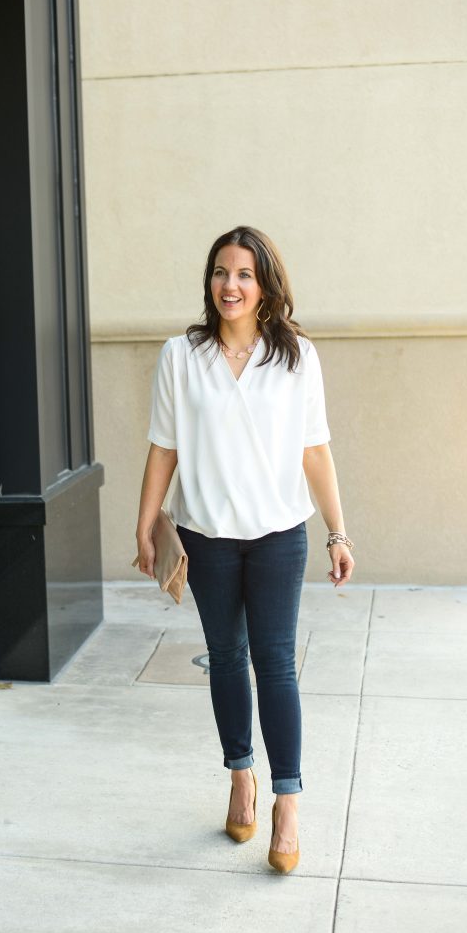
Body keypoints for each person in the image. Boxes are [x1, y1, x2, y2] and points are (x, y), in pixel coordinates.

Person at [134, 225, 354, 874]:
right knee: (226, 659)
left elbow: (315, 450)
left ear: (264, 286)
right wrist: (144, 526)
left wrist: (337, 532)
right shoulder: (181, 355)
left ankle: (286, 801)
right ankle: (240, 776)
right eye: (219, 272)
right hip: (205, 535)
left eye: (243, 274)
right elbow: (162, 449)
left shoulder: (295, 357)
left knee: (274, 662)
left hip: (280, 533)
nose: (229, 284)